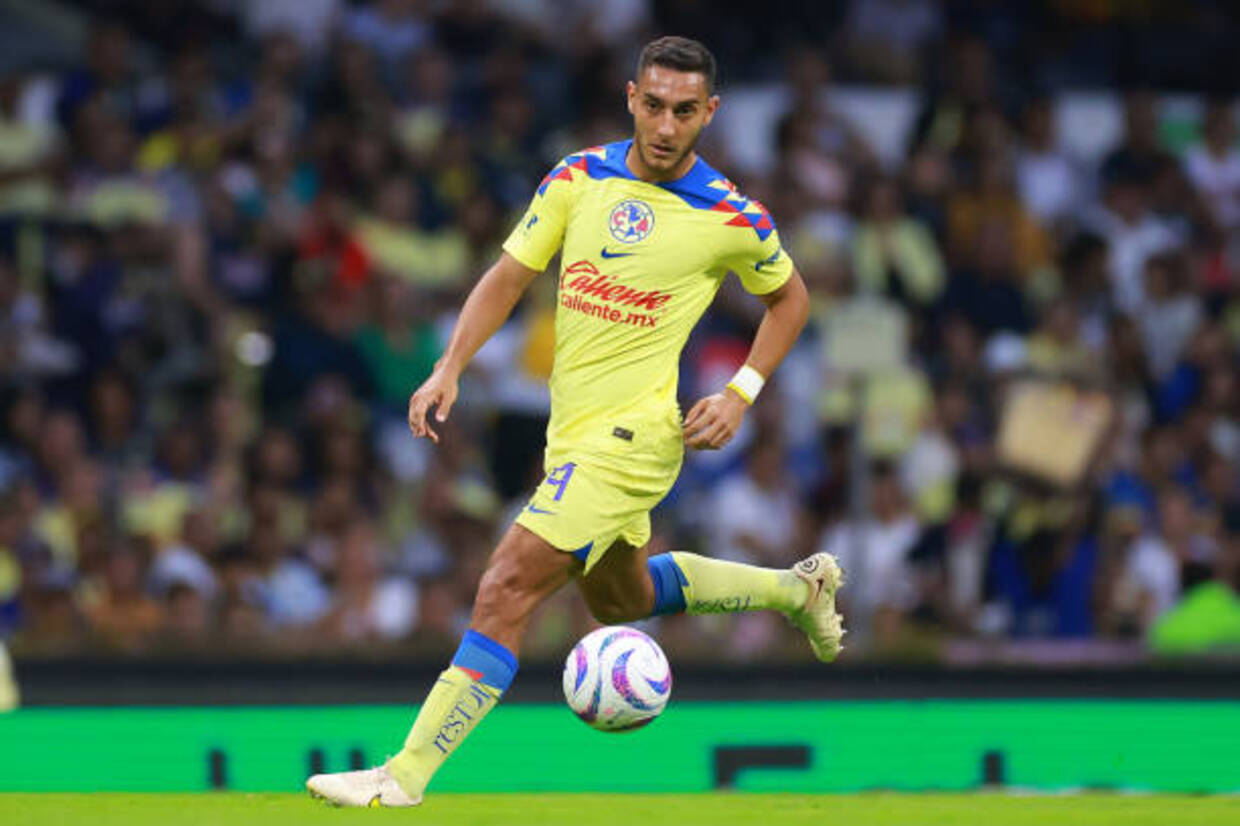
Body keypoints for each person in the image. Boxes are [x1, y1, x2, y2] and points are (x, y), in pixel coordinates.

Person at [306, 36, 845, 808]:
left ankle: (405, 774)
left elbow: (790, 299)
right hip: (572, 438)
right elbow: (509, 276)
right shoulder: (578, 177)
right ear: (631, 98)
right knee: (622, 600)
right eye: (653, 105)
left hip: (634, 442)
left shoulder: (730, 215)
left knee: (505, 586)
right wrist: (450, 365)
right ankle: (797, 590)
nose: (665, 126)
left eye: (684, 111)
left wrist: (740, 391)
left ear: (709, 113)